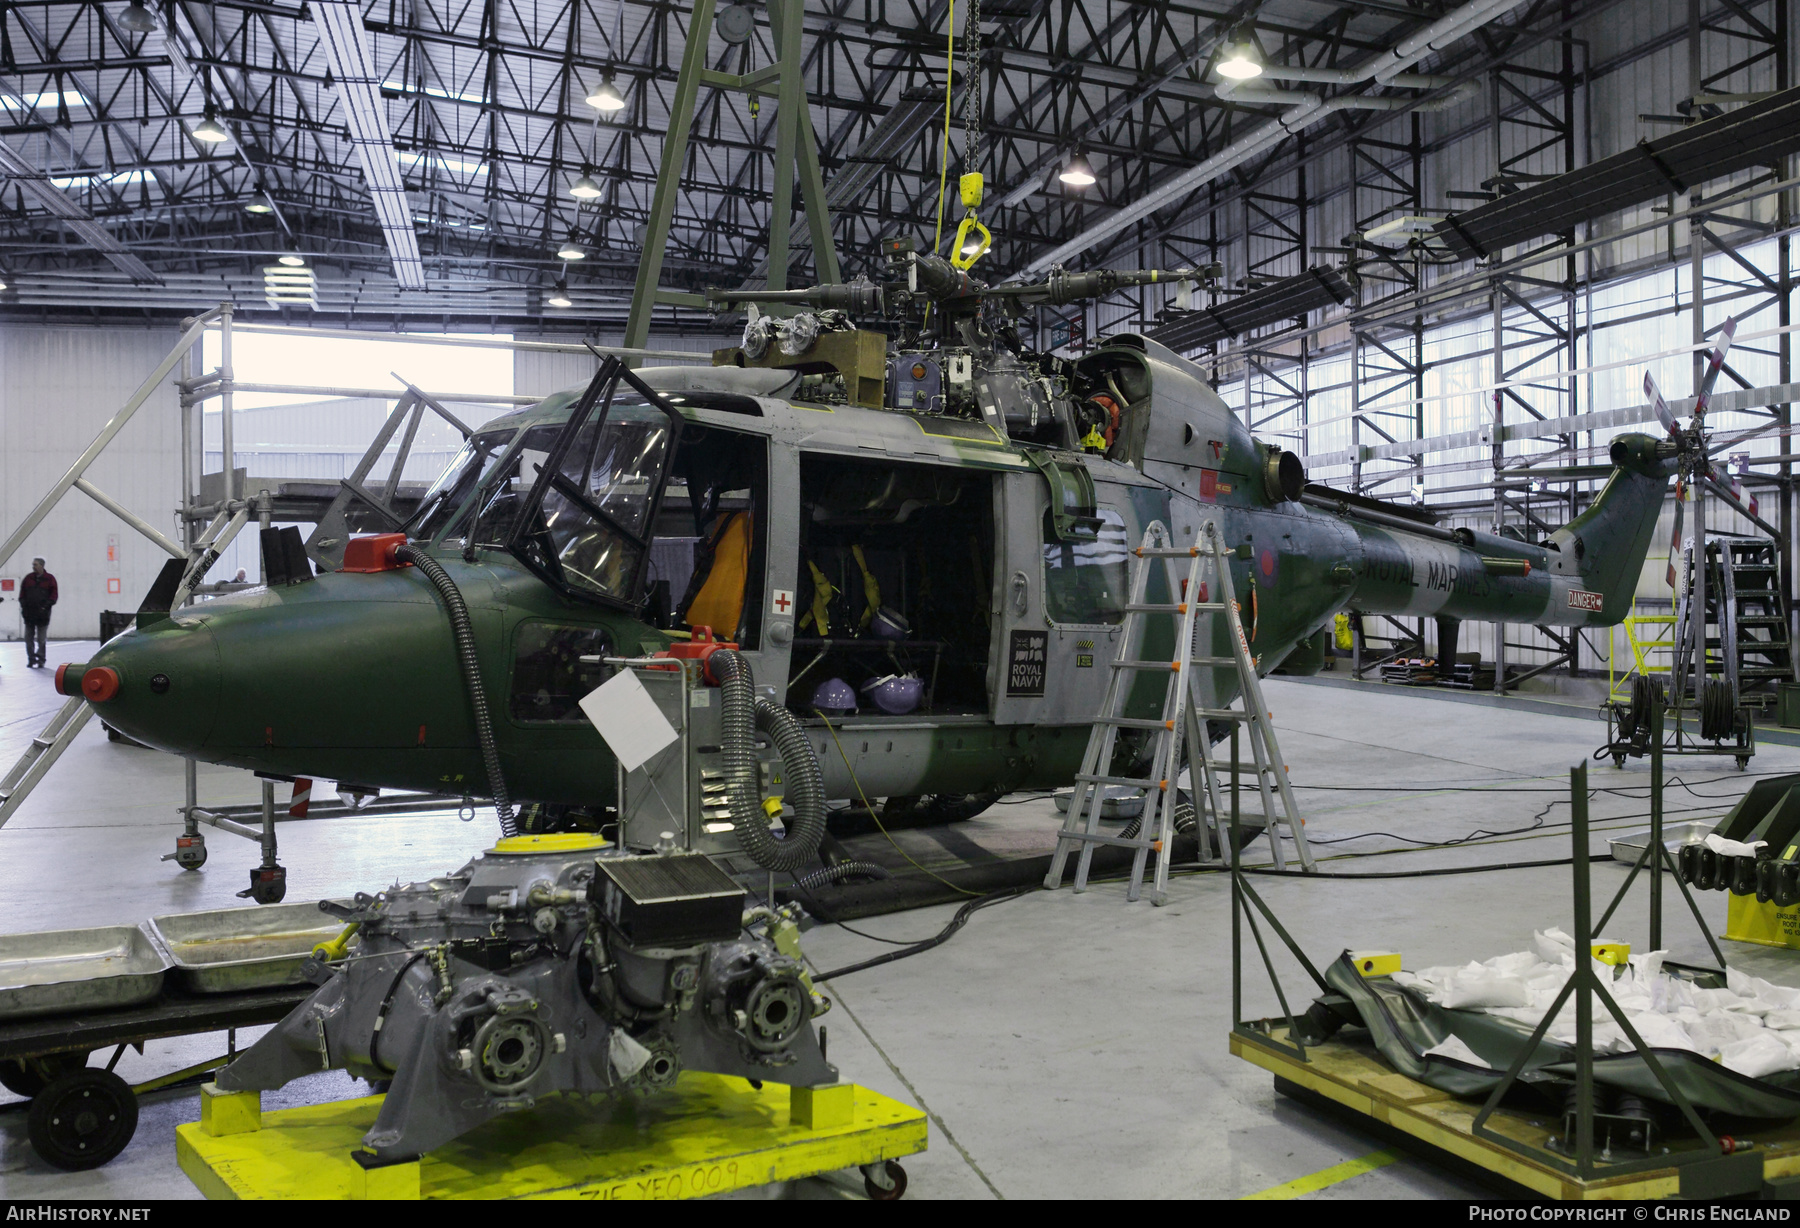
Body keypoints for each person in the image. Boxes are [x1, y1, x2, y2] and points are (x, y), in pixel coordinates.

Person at [19, 558, 56, 669]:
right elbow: (22, 594)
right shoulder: (28, 579)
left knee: (41, 639)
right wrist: (24, 606)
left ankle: (40, 659)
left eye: (35, 565)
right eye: (33, 565)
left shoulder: (49, 579)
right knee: (28, 638)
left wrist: (46, 606)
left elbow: (54, 595)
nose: (33, 567)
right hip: (29, 614)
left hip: (42, 615)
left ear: (42, 566)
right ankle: (31, 659)